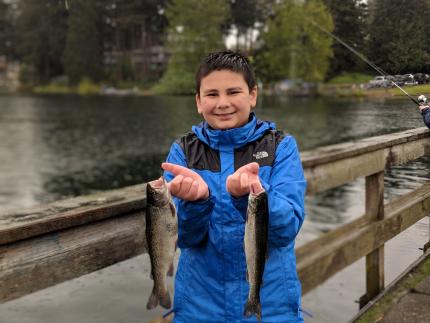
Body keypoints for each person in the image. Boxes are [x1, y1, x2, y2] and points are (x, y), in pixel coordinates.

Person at [162, 51, 307, 322]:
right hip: (199, 308)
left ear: (252, 95)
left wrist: (255, 196)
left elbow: (286, 231)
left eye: (233, 92)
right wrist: (196, 202)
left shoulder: (281, 147)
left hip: (271, 305)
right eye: (212, 94)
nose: (223, 103)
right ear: (198, 101)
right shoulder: (182, 152)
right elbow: (185, 239)